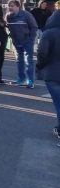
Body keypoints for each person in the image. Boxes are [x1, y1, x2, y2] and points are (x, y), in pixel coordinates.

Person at [36, 11, 60, 147]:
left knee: (59, 104)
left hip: (52, 75)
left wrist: (40, 66)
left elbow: (41, 53)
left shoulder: (49, 33)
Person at [6, 0, 38, 89]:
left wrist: (30, 39)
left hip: (27, 41)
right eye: (9, 6)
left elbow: (34, 27)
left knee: (28, 61)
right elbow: (7, 27)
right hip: (16, 42)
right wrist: (10, 34)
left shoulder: (26, 15)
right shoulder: (8, 16)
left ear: (17, 6)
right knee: (19, 61)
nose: (10, 7)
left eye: (12, 6)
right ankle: (21, 79)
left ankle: (30, 81)